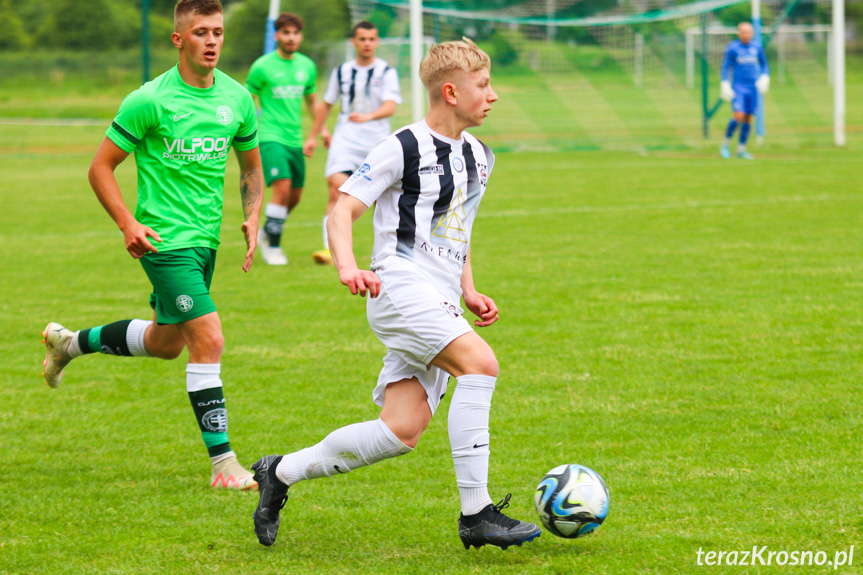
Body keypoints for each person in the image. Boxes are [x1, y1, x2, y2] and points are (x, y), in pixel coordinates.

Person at [251, 39, 542, 550]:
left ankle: (280, 472)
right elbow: (341, 210)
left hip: (440, 297)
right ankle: (476, 513)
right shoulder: (402, 145)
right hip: (399, 288)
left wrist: (469, 290)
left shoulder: (480, 156)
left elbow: (456, 230)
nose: (492, 96)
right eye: (483, 86)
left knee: (401, 431)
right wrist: (347, 267)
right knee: (481, 364)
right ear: (450, 92)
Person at [41, 0, 263, 491]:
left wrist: (251, 216)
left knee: (167, 344)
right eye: (201, 32)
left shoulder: (237, 98)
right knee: (209, 337)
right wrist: (127, 224)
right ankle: (223, 464)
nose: (212, 41)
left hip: (206, 241)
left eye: (219, 32)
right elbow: (101, 167)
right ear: (179, 39)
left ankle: (69, 344)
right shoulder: (149, 100)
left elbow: (250, 166)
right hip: (163, 240)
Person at [306, 21, 401, 266]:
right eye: (362, 39)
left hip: (377, 145)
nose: (367, 43)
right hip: (345, 140)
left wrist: (367, 117)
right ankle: (330, 250)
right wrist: (312, 136)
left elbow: (390, 106)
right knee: (335, 189)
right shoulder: (342, 71)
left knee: (384, 199)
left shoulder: (387, 71)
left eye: (371, 39)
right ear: (354, 42)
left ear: (377, 42)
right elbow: (326, 104)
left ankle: (391, 251)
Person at [246, 12, 322, 265]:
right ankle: (273, 248)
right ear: (276, 35)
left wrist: (319, 132)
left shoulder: (306, 66)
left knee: (295, 197)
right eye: (286, 33)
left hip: (295, 140)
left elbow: (312, 103)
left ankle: (269, 230)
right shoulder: (262, 66)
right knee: (283, 187)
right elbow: (248, 100)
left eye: (295, 33)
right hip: (269, 136)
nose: (291, 38)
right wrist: (248, 130)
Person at [719, 22, 770, 160]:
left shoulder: (757, 47)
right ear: (739, 33)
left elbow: (764, 65)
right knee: (738, 116)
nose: (746, 35)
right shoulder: (733, 48)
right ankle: (725, 144)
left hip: (753, 87)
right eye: (743, 32)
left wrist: (765, 78)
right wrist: (724, 83)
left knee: (748, 118)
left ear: (752, 33)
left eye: (748, 32)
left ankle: (741, 149)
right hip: (738, 87)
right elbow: (725, 67)